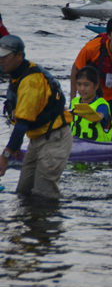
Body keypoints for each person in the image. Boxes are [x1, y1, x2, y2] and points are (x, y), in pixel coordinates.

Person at [0, 35, 73, 198]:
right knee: (24, 192)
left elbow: (22, 124)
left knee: (44, 195)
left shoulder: (31, 81)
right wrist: (16, 145)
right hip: (38, 138)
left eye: (5, 56)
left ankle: (50, 222)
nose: (1, 60)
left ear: (19, 56)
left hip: (55, 139)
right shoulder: (18, 73)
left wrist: (6, 155)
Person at [71, 66, 112, 142]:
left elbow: (98, 117)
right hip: (76, 144)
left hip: (99, 147)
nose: (82, 89)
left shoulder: (102, 104)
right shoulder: (74, 102)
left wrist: (77, 112)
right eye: (79, 84)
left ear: (96, 86)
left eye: (86, 85)